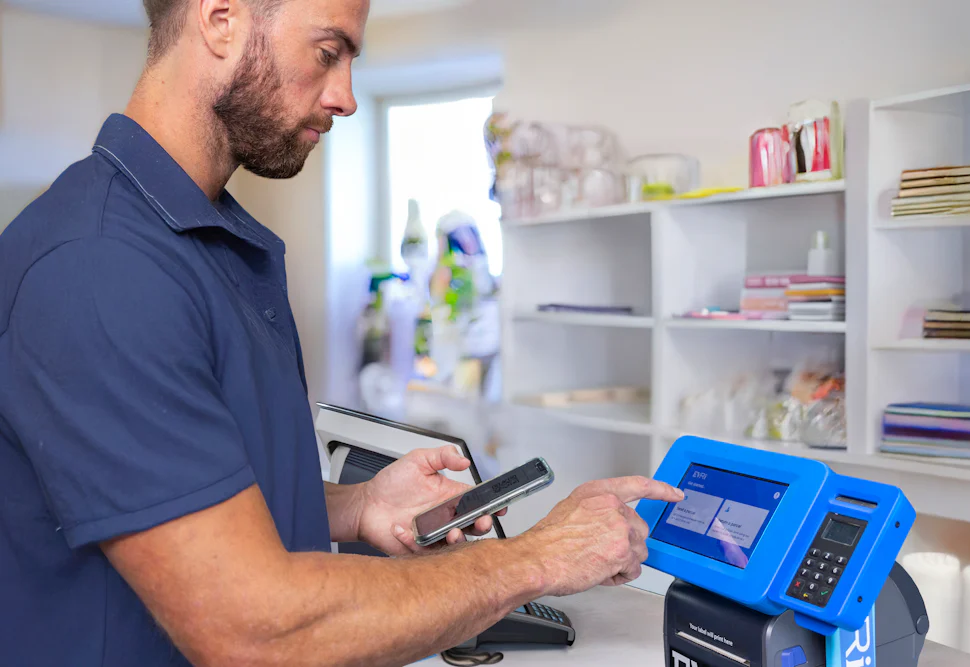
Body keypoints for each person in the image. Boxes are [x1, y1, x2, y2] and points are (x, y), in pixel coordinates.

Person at [0, 0, 684, 665]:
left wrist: (357, 505)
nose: (347, 98)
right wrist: (535, 557)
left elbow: (183, 485)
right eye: (328, 53)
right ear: (220, 19)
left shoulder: (207, 242)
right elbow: (255, 630)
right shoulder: (100, 268)